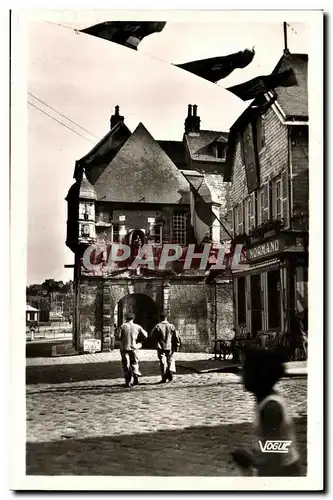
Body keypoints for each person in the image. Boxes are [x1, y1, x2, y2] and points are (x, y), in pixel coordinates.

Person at [231, 347, 302, 476]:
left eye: (245, 370)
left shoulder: (270, 408)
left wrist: (249, 460)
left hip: (284, 474)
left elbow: (275, 456)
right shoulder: (265, 402)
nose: (241, 375)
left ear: (258, 374)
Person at [119, 313, 148, 388]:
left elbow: (118, 335)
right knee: (135, 363)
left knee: (126, 365)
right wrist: (139, 341)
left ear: (126, 318)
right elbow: (145, 335)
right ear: (133, 319)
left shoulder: (123, 326)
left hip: (125, 348)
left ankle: (127, 382)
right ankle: (136, 379)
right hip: (134, 347)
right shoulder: (137, 326)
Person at [150, 314, 181, 384]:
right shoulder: (171, 326)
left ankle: (164, 377)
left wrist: (156, 341)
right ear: (166, 318)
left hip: (161, 347)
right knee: (170, 361)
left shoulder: (157, 326)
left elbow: (152, 335)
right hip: (170, 346)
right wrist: (177, 345)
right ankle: (170, 373)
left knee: (163, 362)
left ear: (160, 318)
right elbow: (176, 336)